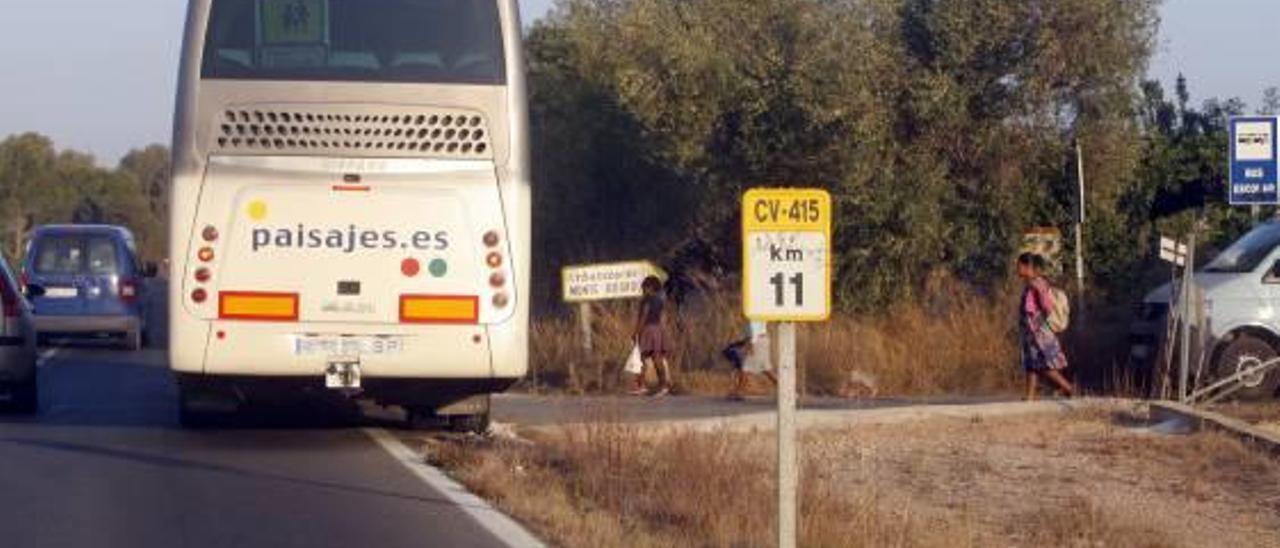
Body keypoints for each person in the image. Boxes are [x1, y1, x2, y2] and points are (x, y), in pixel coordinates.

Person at [1017, 252, 1074, 400]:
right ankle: (1030, 396)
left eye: (1020, 266)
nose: (1018, 269)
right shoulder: (1032, 284)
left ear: (1028, 267)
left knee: (1044, 365)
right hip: (1032, 332)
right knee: (1032, 364)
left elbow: (1047, 306)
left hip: (1039, 332)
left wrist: (1037, 323)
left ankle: (1068, 387)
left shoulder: (1037, 284)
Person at [630, 276, 673, 397]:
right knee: (656, 358)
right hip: (658, 329)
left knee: (641, 358)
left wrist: (636, 332)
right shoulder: (660, 300)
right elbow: (663, 316)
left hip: (648, 329)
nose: (643, 290)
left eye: (644, 287)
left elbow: (644, 316)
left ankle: (641, 386)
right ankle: (663, 386)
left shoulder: (647, 300)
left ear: (650, 287)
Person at [723, 320, 776, 401]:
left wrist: (751, 343)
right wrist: (743, 342)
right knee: (765, 368)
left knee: (746, 368)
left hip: (757, 342)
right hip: (761, 340)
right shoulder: (754, 312)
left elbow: (755, 328)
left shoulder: (753, 312)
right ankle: (786, 389)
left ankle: (739, 392)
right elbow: (751, 330)